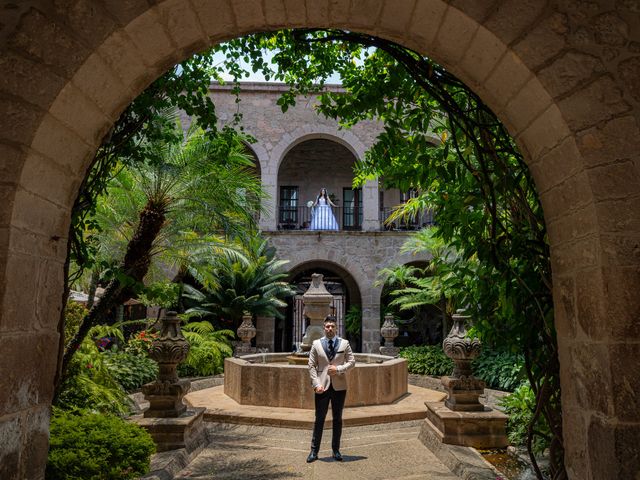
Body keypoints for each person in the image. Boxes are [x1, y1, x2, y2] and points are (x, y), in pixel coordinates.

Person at [307, 315, 356, 463]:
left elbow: (352, 361)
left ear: (336, 327)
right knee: (319, 419)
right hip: (321, 387)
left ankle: (336, 450)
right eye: (327, 326)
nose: (329, 328)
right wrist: (316, 384)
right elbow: (311, 366)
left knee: (337, 419)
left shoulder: (344, 343)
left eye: (332, 326)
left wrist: (339, 369)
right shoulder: (316, 344)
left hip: (339, 387)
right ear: (324, 328)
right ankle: (314, 452)